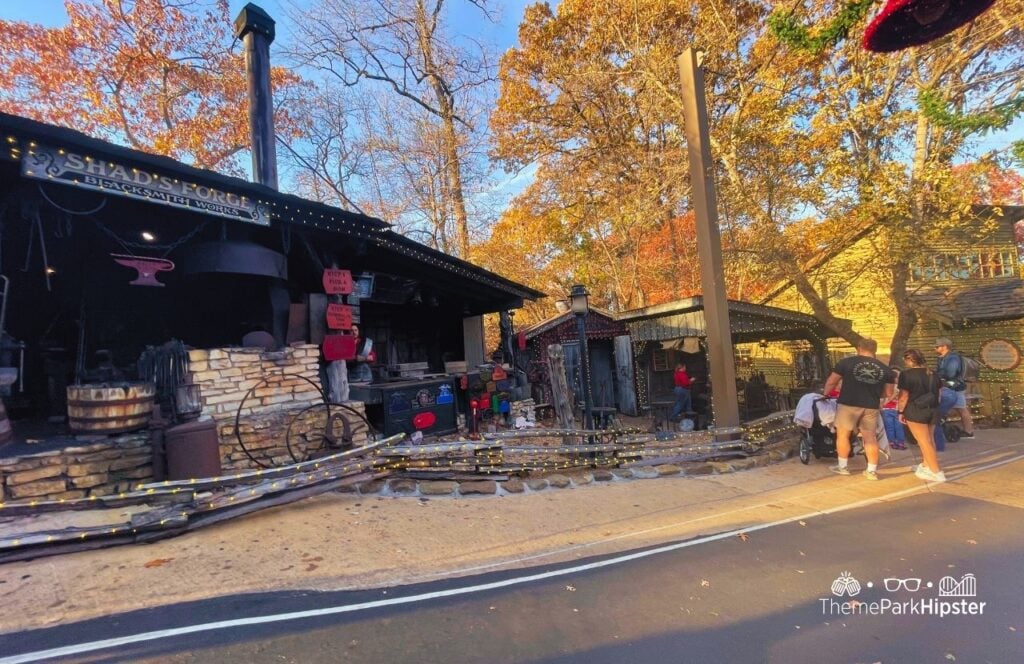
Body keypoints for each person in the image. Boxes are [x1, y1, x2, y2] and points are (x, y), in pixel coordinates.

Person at [823, 338, 895, 481]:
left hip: (848, 403)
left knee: (843, 435)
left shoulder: (846, 363)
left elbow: (832, 381)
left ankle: (843, 467)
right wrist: (875, 394)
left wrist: (825, 394)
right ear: (874, 349)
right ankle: (871, 471)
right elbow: (888, 393)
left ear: (859, 347)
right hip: (871, 406)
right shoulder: (886, 369)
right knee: (870, 438)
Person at [897, 349, 945, 482]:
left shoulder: (906, 375)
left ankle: (936, 471)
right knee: (930, 439)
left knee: (923, 441)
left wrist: (900, 411)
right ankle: (926, 464)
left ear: (910, 360)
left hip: (915, 409)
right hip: (932, 408)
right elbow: (940, 393)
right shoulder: (932, 373)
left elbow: (904, 396)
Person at [934, 337, 975, 439]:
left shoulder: (953, 358)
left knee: (961, 408)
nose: (935, 348)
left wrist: (937, 375)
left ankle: (969, 432)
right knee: (958, 408)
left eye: (937, 346)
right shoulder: (942, 358)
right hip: (947, 386)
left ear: (945, 346)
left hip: (955, 386)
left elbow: (951, 373)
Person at [881, 368, 907, 450]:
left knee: (895, 426)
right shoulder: (898, 387)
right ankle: (895, 441)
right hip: (890, 409)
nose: (897, 379)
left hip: (892, 409)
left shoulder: (887, 386)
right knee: (893, 426)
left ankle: (896, 441)